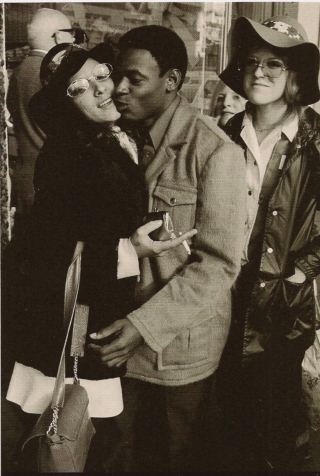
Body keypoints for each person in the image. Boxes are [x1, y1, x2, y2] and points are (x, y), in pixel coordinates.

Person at [3, 42, 195, 472]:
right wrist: (132, 249)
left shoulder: (112, 137)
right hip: (77, 326)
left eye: (101, 75)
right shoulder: (65, 156)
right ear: (64, 104)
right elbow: (48, 256)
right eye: (79, 88)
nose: (101, 90)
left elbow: (98, 218)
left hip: (97, 313)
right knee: (79, 439)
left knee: (96, 439)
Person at [88, 25, 247, 472]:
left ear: (172, 81)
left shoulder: (215, 152)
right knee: (116, 453)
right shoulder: (113, 138)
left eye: (134, 79)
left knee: (172, 455)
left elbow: (217, 265)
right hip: (118, 339)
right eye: (116, 77)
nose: (118, 89)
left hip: (177, 347)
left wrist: (142, 325)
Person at [218, 15, 320, 471]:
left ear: (295, 75)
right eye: (252, 61)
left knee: (277, 425)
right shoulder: (227, 132)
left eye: (274, 63)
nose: (259, 72)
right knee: (226, 420)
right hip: (224, 298)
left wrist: (300, 269)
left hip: (283, 310)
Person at [7, 8, 74, 227]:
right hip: (51, 180)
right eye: (70, 32)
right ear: (57, 36)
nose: (73, 38)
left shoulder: (20, 70)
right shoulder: (51, 74)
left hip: (25, 176)